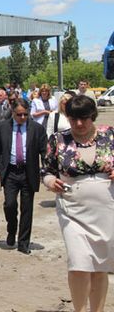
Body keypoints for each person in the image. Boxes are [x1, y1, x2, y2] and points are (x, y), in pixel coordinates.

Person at [42, 95, 114, 312]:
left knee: (100, 265)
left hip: (106, 210)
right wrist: (50, 181)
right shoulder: (58, 139)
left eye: (84, 118)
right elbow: (46, 171)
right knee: (79, 263)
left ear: (93, 116)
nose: (79, 124)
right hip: (72, 210)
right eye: (74, 119)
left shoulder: (110, 135)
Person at [0, 98, 47, 254]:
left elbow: (44, 152)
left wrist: (47, 171)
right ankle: (11, 228)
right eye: (19, 114)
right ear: (13, 112)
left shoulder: (37, 129)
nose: (22, 117)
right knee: (10, 205)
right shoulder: (2, 127)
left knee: (27, 209)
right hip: (10, 172)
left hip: (29, 172)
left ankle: (23, 243)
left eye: (25, 114)